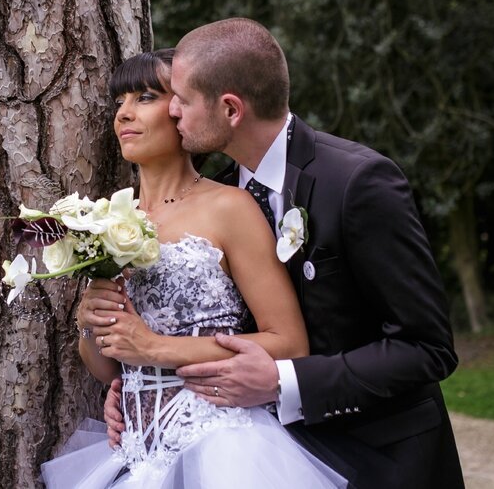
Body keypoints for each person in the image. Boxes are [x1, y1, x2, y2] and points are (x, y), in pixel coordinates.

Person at [97, 19, 464, 489]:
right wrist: (141, 387)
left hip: (382, 456)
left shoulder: (357, 182)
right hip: (256, 451)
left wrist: (284, 382)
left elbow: (427, 348)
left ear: (230, 109)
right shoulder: (223, 194)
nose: (172, 112)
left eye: (181, 101)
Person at [40, 49, 346, 488]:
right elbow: (110, 369)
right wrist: (90, 324)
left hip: (220, 448)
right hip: (134, 454)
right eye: (119, 102)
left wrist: (155, 348)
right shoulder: (105, 221)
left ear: (181, 111)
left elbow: (289, 343)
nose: (124, 113)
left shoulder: (229, 207)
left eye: (145, 97)